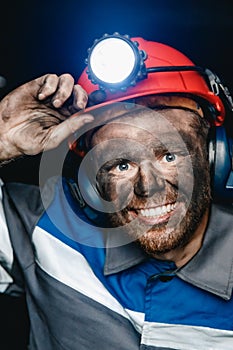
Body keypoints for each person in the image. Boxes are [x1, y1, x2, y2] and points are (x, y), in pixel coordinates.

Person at [0, 34, 233, 350]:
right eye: (121, 164)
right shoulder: (49, 229)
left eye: (169, 155)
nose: (148, 187)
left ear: (214, 155)